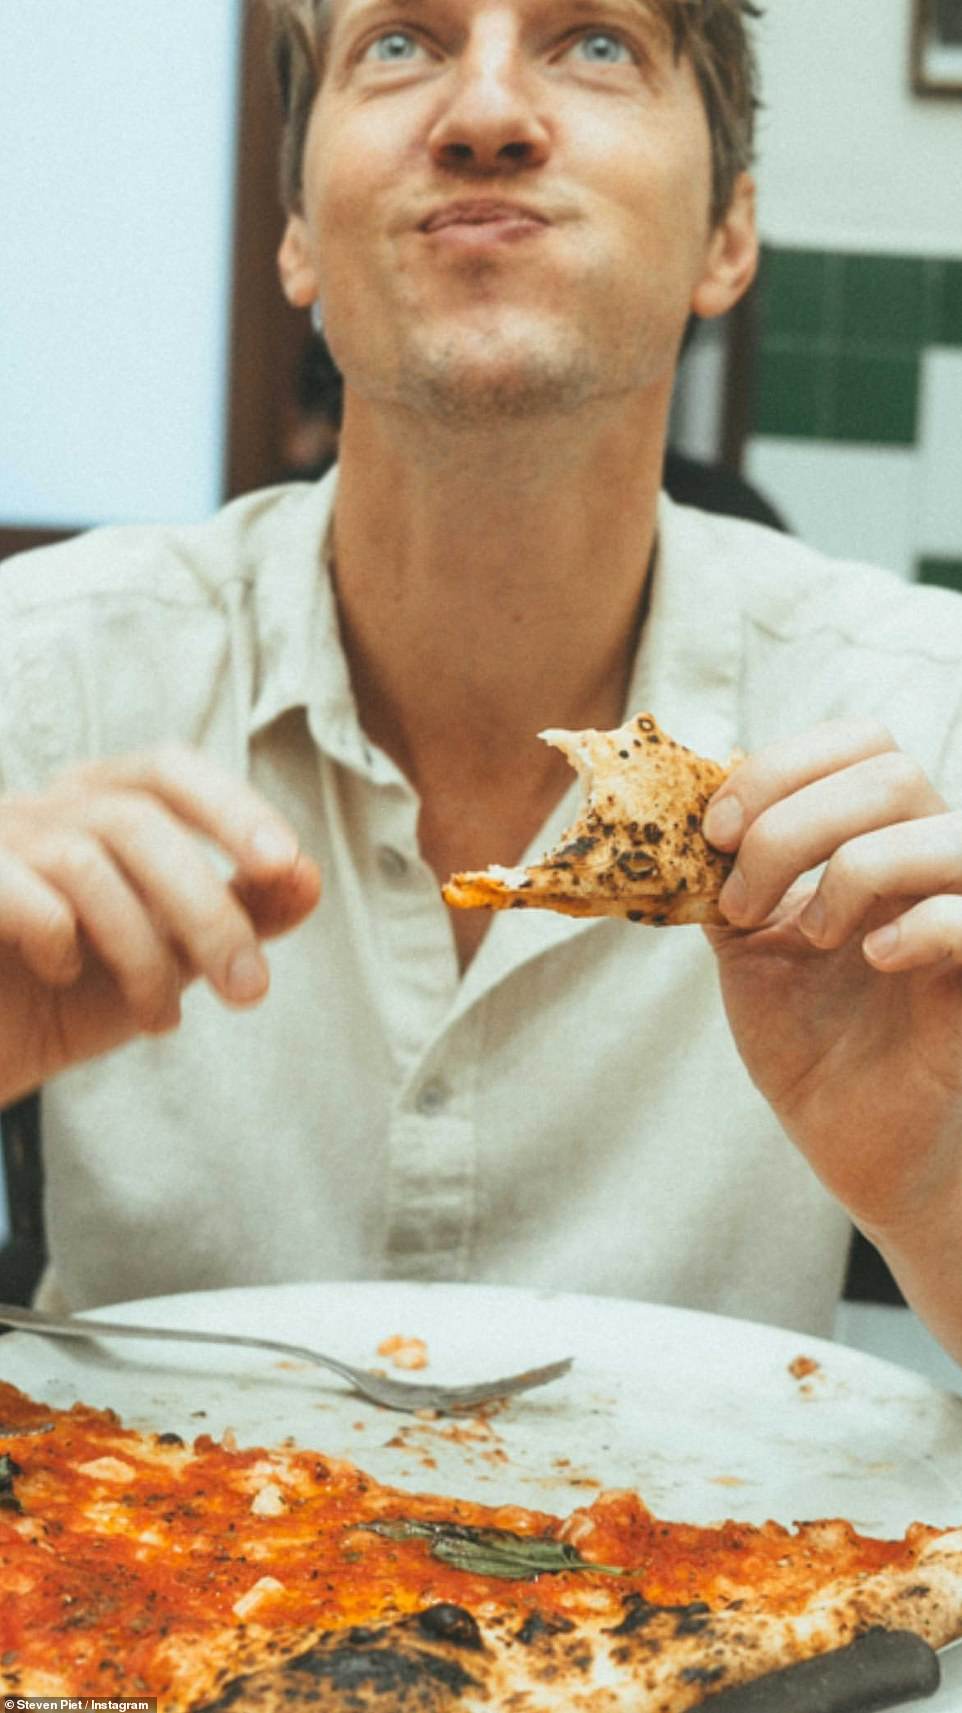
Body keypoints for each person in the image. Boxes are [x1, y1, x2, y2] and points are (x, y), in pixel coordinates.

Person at [2, 0, 962, 1363]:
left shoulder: (924, 743)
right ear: (293, 236)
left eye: (595, 42)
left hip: (716, 1566)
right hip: (120, 1562)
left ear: (727, 235)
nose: (487, 112)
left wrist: (939, 1194)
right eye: (399, 43)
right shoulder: (33, 684)